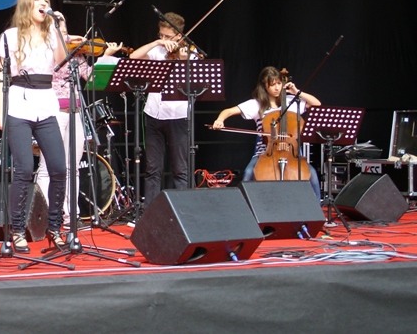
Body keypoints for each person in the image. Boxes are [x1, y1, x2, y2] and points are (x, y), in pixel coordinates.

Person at [0, 0, 68, 253]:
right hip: (19, 102)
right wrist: (0, 109)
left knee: (59, 168)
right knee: (24, 169)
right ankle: (17, 229)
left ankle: (54, 227)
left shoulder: (52, 35)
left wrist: (60, 27)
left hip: (46, 102)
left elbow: (61, 61)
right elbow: (1, 74)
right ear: (28, 4)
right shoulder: (10, 36)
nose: (43, 3)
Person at [35, 40, 124, 228]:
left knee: (72, 166)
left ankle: (70, 215)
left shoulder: (77, 53)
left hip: (75, 112)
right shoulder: (44, 50)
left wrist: (105, 56)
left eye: (64, 28)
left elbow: (91, 79)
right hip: (52, 111)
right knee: (47, 166)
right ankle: (45, 216)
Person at [211, 66, 322, 200]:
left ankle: (317, 209)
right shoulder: (256, 104)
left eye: (279, 83)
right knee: (248, 173)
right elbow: (228, 111)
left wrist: (297, 92)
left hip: (292, 153)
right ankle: (246, 207)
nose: (277, 88)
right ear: (265, 85)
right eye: (272, 85)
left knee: (312, 175)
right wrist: (220, 120)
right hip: (264, 152)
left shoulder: (291, 102)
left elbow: (317, 105)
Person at [129, 12, 193, 205]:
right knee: (152, 169)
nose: (164, 39)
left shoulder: (190, 53)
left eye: (168, 36)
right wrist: (157, 42)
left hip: (178, 116)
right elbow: (133, 56)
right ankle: (151, 212)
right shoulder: (157, 51)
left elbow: (195, 83)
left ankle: (183, 210)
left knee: (180, 169)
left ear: (179, 36)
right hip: (153, 114)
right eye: (161, 35)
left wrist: (184, 61)